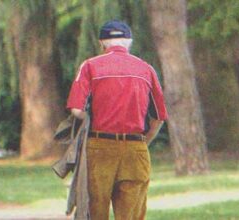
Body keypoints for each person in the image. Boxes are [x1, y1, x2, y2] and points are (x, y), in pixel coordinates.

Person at [66, 20, 168, 220]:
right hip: (135, 149)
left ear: (102, 43)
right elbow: (159, 118)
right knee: (131, 214)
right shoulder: (146, 69)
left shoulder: (90, 66)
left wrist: (89, 121)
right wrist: (142, 143)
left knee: (95, 210)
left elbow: (76, 110)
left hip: (99, 148)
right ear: (129, 42)